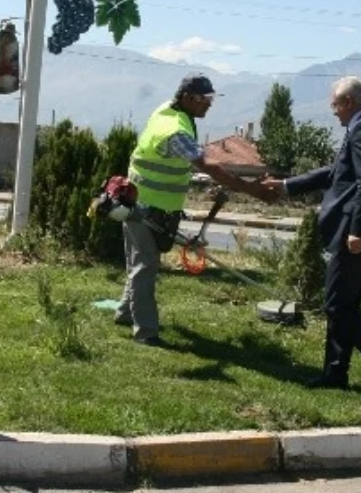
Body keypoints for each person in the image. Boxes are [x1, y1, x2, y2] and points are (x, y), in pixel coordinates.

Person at [261, 76, 361, 397]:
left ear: (348, 102)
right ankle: (335, 373)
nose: (334, 113)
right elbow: (334, 173)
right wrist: (287, 185)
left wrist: (358, 231)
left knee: (337, 307)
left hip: (358, 236)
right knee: (343, 306)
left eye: (335, 105)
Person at [117, 72, 276, 346]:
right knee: (145, 266)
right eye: (205, 99)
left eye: (211, 99)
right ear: (188, 98)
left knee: (139, 261)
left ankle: (124, 314)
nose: (209, 105)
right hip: (145, 204)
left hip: (150, 201)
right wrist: (251, 188)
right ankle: (146, 332)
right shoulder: (174, 130)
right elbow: (208, 165)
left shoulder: (170, 112)